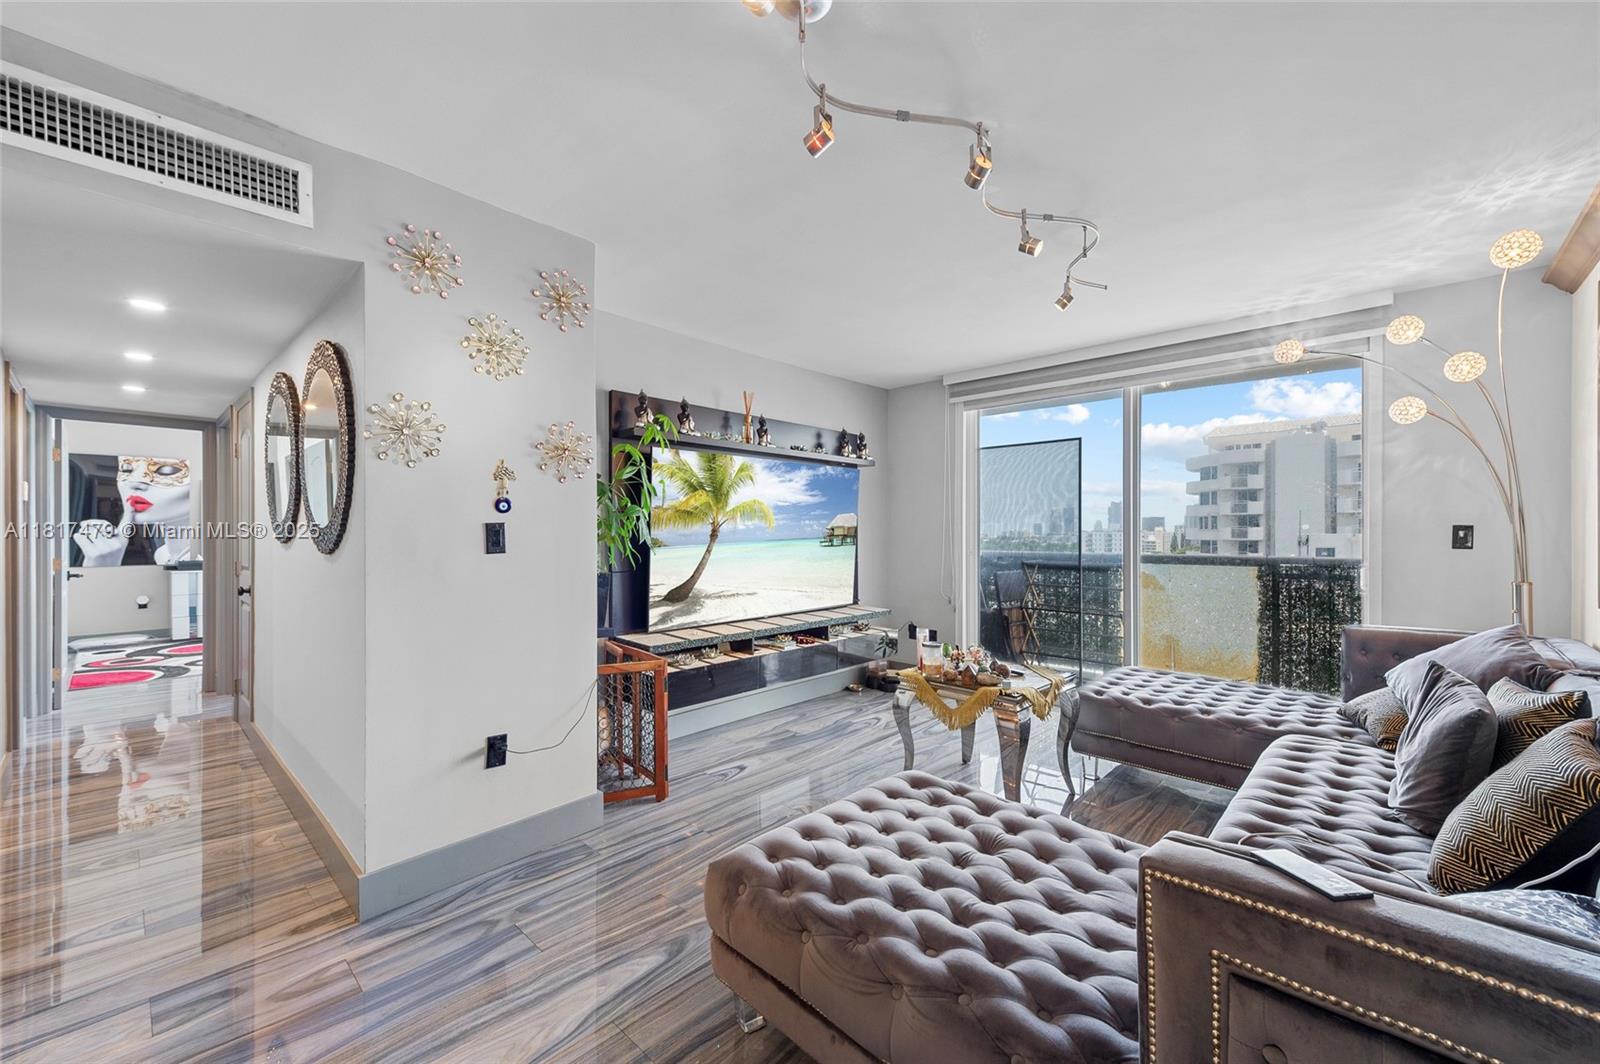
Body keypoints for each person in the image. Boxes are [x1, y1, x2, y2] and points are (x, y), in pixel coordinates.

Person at [72, 456, 194, 567]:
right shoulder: (162, 554)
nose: (134, 482)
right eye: (127, 469)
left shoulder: (206, 561)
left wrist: (102, 572)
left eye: (166, 471)